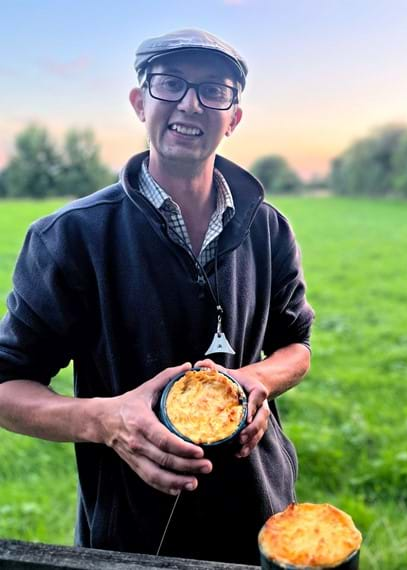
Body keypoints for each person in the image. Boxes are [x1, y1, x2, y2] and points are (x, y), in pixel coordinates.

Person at [0, 29, 314, 565]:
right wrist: (107, 420)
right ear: (139, 101)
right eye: (170, 84)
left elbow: (297, 347)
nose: (190, 103)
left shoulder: (268, 229)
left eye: (214, 91)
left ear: (233, 118)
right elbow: (7, 384)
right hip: (132, 531)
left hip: (261, 511)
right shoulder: (68, 238)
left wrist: (256, 380)